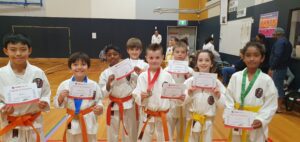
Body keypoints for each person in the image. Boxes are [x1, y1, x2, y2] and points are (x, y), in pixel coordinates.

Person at [0, 33, 51, 142]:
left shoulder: (38, 72)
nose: (18, 53)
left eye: (23, 49)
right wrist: (3, 108)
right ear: (5, 51)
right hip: (12, 124)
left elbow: (46, 93)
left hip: (34, 123)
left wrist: (44, 102)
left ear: (29, 50)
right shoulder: (1, 74)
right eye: (13, 49)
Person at [225, 41, 278, 142]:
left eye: (256, 55)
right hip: (237, 120)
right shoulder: (236, 77)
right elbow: (229, 98)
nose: (252, 58)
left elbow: (271, 104)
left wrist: (262, 119)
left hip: (255, 121)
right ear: (243, 57)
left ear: (262, 58)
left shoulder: (266, 80)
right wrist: (229, 114)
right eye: (248, 55)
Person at [132, 44, 184, 142]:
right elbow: (136, 94)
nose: (154, 60)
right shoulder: (142, 76)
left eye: (157, 57)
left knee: (165, 139)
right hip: (147, 115)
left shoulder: (167, 76)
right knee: (143, 140)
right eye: (151, 58)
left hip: (163, 115)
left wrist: (179, 98)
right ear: (146, 58)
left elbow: (173, 94)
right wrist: (141, 96)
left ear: (162, 58)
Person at [54, 52, 103, 142]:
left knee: (90, 139)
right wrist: (60, 97)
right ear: (70, 67)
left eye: (83, 64)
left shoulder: (93, 85)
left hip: (88, 119)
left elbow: (99, 100)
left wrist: (99, 108)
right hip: (72, 120)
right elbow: (57, 104)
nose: (79, 67)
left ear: (88, 67)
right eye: (75, 65)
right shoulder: (64, 85)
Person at [183, 50, 226, 142]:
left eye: (207, 60)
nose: (203, 63)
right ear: (196, 63)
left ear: (211, 64)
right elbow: (180, 102)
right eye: (200, 60)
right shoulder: (190, 81)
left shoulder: (217, 83)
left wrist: (218, 95)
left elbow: (223, 105)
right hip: (192, 121)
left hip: (208, 123)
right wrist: (189, 93)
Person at [98, 45, 137, 142]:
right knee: (112, 132)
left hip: (129, 104)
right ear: (106, 57)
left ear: (120, 55)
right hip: (113, 105)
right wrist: (108, 84)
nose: (112, 56)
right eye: (109, 55)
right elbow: (101, 94)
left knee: (129, 131)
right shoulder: (105, 73)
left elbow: (136, 86)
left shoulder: (128, 68)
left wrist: (130, 77)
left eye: (115, 54)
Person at [164, 41, 194, 142]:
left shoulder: (190, 71)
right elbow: (163, 86)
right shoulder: (166, 70)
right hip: (170, 105)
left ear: (186, 54)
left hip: (184, 105)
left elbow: (193, 88)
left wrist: (189, 78)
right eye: (177, 52)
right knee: (168, 132)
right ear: (173, 53)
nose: (180, 54)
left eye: (182, 52)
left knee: (183, 133)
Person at [126, 37, 148, 141]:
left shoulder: (146, 65)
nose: (134, 52)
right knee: (129, 125)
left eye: (137, 49)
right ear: (127, 50)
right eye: (132, 49)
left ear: (141, 50)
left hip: (142, 98)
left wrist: (143, 74)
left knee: (142, 123)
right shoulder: (123, 64)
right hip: (128, 99)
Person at [269, 27, 292, 112]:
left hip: (278, 68)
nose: (273, 34)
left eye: (274, 32)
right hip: (282, 67)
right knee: (278, 86)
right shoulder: (287, 42)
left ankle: (278, 107)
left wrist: (272, 67)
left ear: (278, 33)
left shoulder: (280, 42)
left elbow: (277, 56)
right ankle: (277, 106)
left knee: (277, 87)